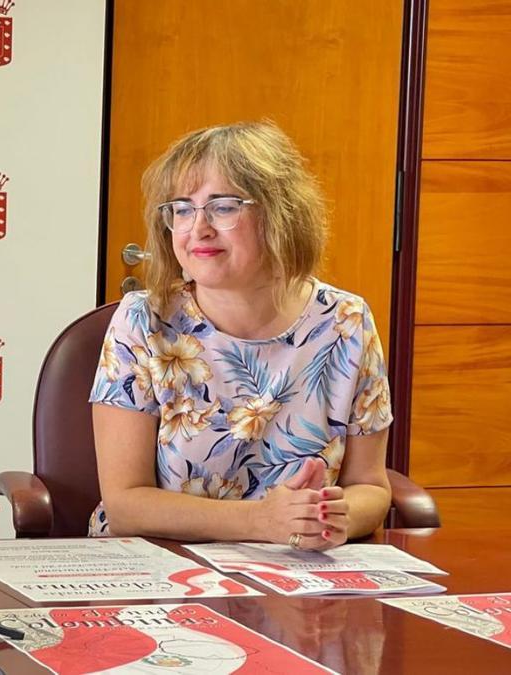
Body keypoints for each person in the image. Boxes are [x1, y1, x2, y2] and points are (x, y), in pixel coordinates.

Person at [88, 121, 391, 551]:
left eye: (223, 207)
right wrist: (260, 520)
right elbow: (125, 504)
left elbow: (371, 488)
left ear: (281, 213)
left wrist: (329, 515)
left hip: (295, 571)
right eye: (182, 209)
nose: (198, 229)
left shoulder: (346, 320)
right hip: (159, 563)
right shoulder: (143, 320)